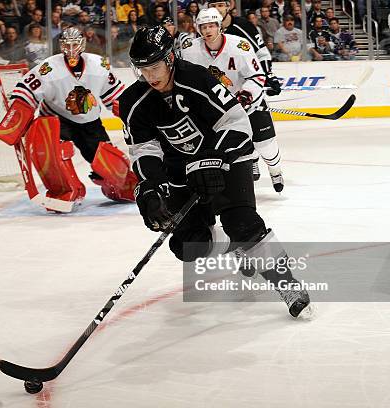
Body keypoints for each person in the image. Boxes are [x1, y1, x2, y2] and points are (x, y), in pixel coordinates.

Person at [118, 26, 312, 318]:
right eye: (143, 70)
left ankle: (288, 284)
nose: (151, 76)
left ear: (170, 58)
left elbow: (235, 123)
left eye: (155, 67)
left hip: (227, 158)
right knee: (188, 246)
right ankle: (234, 245)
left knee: (243, 223)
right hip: (181, 171)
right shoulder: (133, 101)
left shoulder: (199, 79)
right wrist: (150, 188)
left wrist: (210, 159)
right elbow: (144, 149)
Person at [0, 27, 137, 210]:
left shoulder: (98, 65)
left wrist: (130, 113)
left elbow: (114, 95)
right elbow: (26, 90)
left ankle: (123, 186)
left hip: (89, 122)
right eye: (66, 44)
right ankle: (64, 191)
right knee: (50, 152)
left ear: (82, 44)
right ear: (61, 46)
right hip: (56, 118)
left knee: (108, 162)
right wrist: (19, 113)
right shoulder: (49, 68)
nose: (71, 49)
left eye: (75, 44)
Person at [182, 8, 284, 192]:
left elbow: (257, 76)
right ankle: (250, 159)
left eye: (211, 25)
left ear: (219, 26)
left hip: (249, 104)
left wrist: (246, 95)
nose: (207, 31)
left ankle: (275, 170)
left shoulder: (240, 46)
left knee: (266, 143)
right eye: (203, 27)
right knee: (229, 145)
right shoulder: (190, 50)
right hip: (216, 111)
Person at [207, 1, 283, 182]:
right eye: (213, 4)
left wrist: (268, 75)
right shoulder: (206, 32)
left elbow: (262, 54)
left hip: (247, 92)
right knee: (237, 134)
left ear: (229, 6)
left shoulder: (243, 26)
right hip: (224, 97)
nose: (217, 8)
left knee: (262, 135)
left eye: (221, 4)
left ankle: (273, 168)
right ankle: (252, 159)